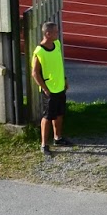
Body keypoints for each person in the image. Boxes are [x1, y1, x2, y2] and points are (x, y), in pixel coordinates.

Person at [30, 21, 71, 155]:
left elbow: (59, 63)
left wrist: (64, 79)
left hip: (60, 86)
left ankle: (57, 138)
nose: (58, 34)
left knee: (59, 114)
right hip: (50, 90)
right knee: (47, 116)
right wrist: (45, 88)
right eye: (55, 32)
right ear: (47, 34)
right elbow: (35, 73)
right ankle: (44, 144)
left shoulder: (57, 44)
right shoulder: (39, 51)